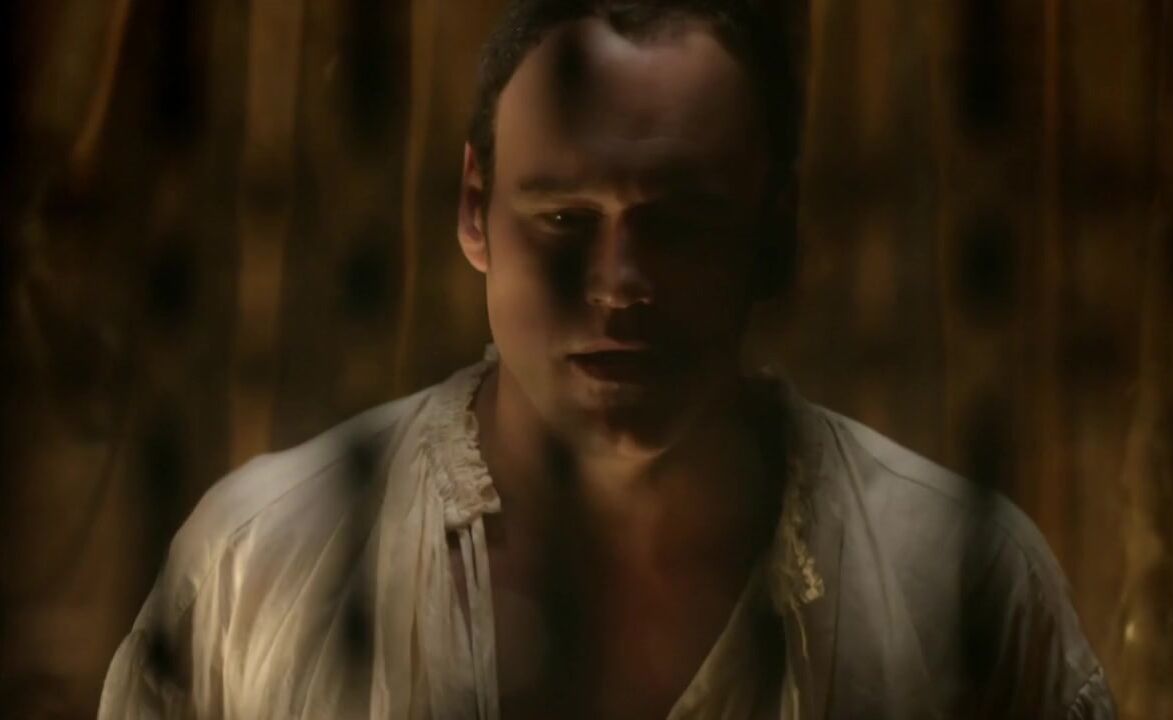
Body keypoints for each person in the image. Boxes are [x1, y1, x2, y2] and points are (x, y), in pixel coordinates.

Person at [99, 1, 1116, 718]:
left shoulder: (958, 578)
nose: (621, 283)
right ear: (475, 211)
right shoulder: (262, 563)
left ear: (771, 231)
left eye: (679, 224)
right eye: (563, 219)